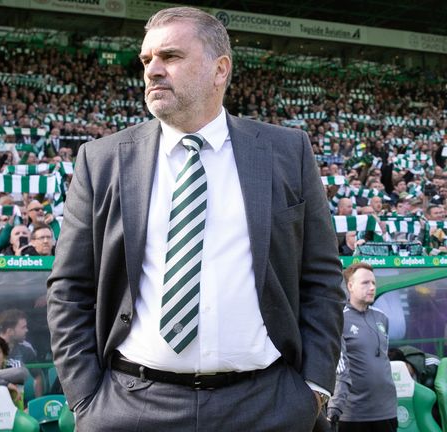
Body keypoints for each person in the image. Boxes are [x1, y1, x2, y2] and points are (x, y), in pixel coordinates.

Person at [46, 7, 344, 431]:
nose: (153, 71)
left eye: (170, 56)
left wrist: (313, 387)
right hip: (132, 406)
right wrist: (85, 398)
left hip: (268, 405)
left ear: (220, 69)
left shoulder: (287, 151)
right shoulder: (101, 159)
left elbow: (322, 276)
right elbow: (69, 287)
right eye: (147, 60)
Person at [328, 263, 398, 431]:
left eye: (374, 283)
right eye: (365, 283)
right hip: (353, 414)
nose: (372, 287)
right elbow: (339, 370)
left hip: (387, 411)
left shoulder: (382, 318)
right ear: (350, 286)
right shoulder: (340, 319)